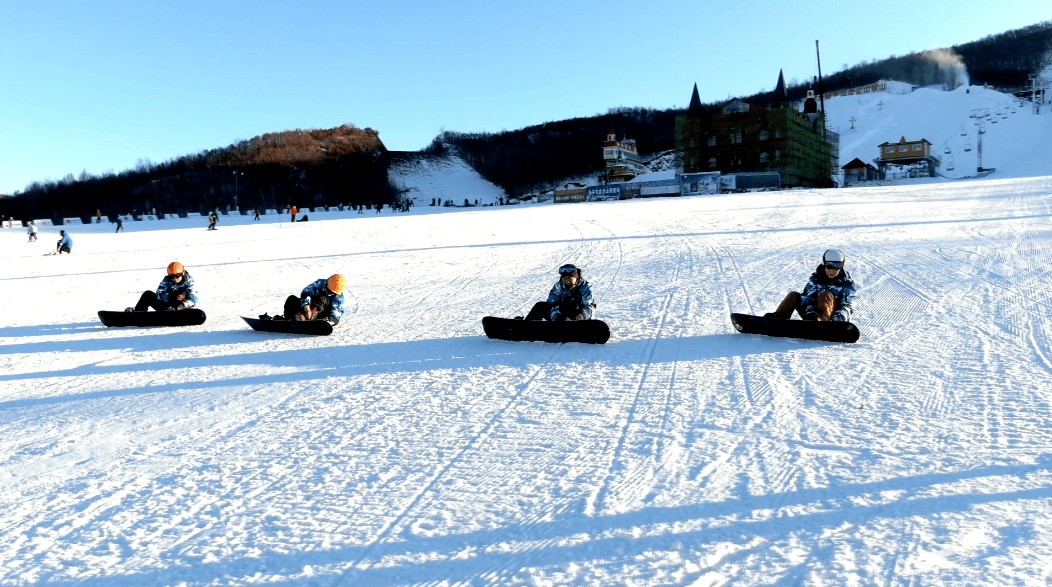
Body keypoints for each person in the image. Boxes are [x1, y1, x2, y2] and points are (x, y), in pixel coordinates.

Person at [765, 249, 856, 322]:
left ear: (842, 265)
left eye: (837, 266)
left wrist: (839, 318)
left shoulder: (847, 283)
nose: (832, 270)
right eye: (829, 265)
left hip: (832, 319)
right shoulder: (816, 279)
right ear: (824, 264)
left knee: (826, 295)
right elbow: (807, 298)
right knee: (794, 295)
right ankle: (778, 320)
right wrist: (811, 313)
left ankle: (822, 323)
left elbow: (847, 305)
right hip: (811, 316)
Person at [522, 263, 596, 321]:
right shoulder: (558, 286)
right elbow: (551, 304)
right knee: (540, 306)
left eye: (571, 279)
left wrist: (581, 316)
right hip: (561, 316)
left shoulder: (586, 287)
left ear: (577, 278)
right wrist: (558, 318)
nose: (568, 282)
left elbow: (589, 306)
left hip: (578, 317)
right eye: (565, 279)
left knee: (574, 305)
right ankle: (526, 328)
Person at [267, 274, 347, 326]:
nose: (329, 293)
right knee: (291, 299)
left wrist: (326, 321)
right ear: (326, 284)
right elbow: (307, 292)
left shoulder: (339, 298)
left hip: (321, 314)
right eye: (328, 290)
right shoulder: (319, 283)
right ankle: (292, 318)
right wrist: (306, 306)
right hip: (308, 309)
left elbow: (336, 313)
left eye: (331, 293)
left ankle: (309, 319)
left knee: (323, 298)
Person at [126, 262, 199, 312]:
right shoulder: (166, 280)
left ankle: (178, 311)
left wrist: (182, 304)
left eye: (177, 276)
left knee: (181, 295)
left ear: (182, 274)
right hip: (166, 306)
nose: (175, 279)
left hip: (181, 308)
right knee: (147, 294)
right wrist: (170, 297)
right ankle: (138, 313)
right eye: (172, 276)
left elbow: (194, 298)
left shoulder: (190, 281)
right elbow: (159, 293)